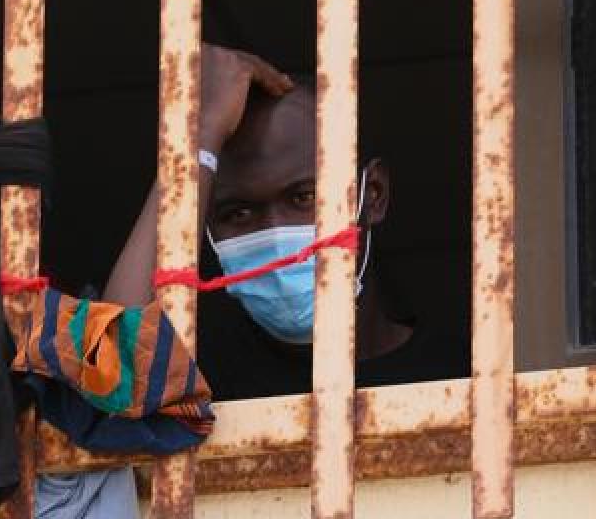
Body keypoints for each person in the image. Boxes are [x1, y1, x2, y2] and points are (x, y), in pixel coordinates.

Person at [103, 44, 467, 400]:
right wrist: (200, 136)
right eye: (238, 213)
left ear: (372, 195)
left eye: (304, 198)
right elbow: (113, 378)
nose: (275, 234)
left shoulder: (464, 373)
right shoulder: (200, 375)